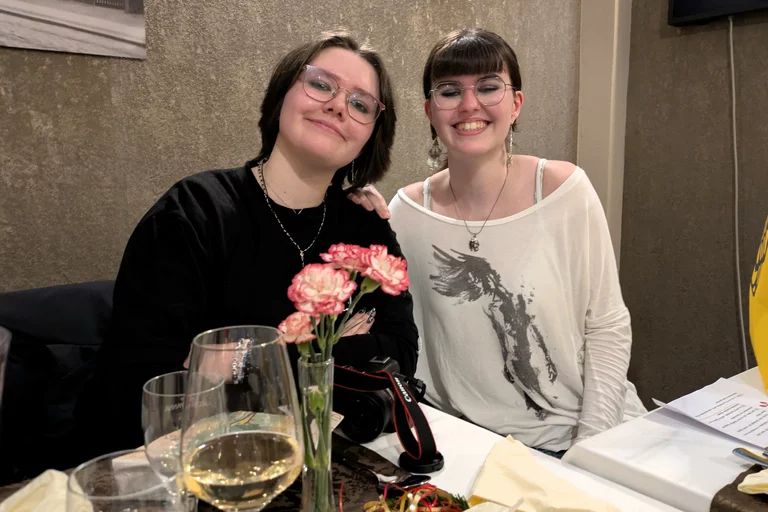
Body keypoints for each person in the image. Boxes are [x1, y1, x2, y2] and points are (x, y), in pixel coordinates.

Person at [75, 30, 418, 458]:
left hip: (324, 457)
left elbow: (400, 356)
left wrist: (234, 360)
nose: (337, 105)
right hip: (180, 461)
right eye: (321, 84)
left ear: (372, 135)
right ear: (282, 94)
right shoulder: (194, 213)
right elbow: (150, 386)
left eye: (361, 104)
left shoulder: (366, 227)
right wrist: (333, 347)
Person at [349, 27, 645, 455]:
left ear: (516, 103)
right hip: (466, 445)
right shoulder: (406, 213)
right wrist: (350, 215)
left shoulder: (564, 190)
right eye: (450, 91)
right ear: (430, 110)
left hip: (579, 436)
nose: (469, 104)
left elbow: (607, 324)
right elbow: (381, 324)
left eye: (489, 87)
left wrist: (589, 448)